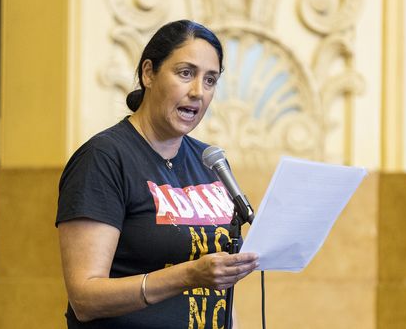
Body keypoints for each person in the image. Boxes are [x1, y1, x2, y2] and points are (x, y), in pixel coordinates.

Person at [56, 19, 259, 329]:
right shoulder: (104, 159)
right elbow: (84, 298)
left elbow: (221, 298)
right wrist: (188, 275)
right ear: (148, 73)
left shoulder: (211, 162)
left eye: (210, 80)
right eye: (185, 73)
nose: (198, 92)